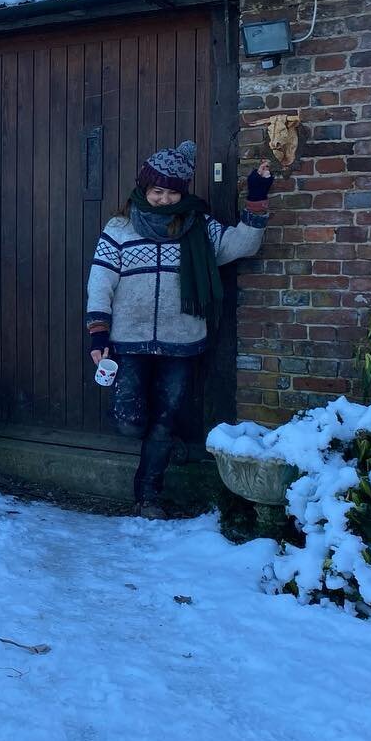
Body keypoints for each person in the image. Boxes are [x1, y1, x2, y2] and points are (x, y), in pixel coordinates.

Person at [85, 141, 274, 519]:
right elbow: (101, 281)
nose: (164, 199)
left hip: (182, 341)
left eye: (172, 192)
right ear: (144, 188)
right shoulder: (119, 227)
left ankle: (148, 496)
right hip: (130, 340)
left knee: (165, 419)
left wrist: (257, 195)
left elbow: (245, 244)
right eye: (157, 191)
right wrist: (98, 332)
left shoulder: (199, 227)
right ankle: (161, 449)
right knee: (128, 420)